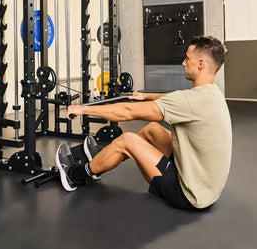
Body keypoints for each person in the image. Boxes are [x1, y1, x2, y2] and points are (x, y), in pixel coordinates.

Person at [55, 35, 232, 210]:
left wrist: (82, 109)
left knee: (127, 140)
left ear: (201, 64)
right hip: (207, 188)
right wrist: (146, 96)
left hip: (189, 194)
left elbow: (127, 112)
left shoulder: (191, 100)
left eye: (187, 58)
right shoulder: (211, 93)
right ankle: (100, 162)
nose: (183, 63)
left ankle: (75, 175)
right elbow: (177, 97)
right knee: (153, 130)